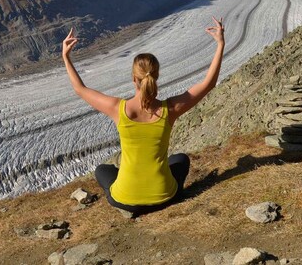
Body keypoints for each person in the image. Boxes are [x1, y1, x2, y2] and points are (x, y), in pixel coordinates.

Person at [61, 16, 225, 214]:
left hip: (124, 199)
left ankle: (130, 196)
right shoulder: (170, 109)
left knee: (103, 170)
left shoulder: (117, 108)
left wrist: (66, 57)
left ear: (133, 79)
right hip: (164, 197)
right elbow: (208, 84)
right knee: (181, 159)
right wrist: (220, 44)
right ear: (156, 77)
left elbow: (80, 89)